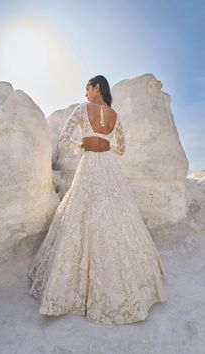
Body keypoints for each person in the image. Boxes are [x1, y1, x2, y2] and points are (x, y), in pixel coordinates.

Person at [27, 75, 167, 325]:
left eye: (87, 88)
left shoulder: (83, 109)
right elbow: (121, 149)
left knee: (88, 213)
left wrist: (82, 144)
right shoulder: (115, 115)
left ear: (97, 88)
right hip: (109, 165)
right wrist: (106, 145)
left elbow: (63, 137)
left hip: (91, 164)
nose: (84, 93)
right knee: (114, 213)